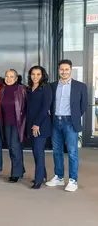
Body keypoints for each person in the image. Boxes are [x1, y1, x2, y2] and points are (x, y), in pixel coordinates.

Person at [46, 59, 88, 192]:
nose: (64, 72)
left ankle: (72, 180)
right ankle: (58, 177)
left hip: (70, 122)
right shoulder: (52, 86)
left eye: (66, 69)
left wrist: (73, 117)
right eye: (61, 69)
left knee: (72, 152)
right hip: (55, 122)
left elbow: (83, 106)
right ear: (58, 71)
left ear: (71, 70)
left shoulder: (80, 86)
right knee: (57, 151)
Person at [26, 66, 52, 189]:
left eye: (38, 74)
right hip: (31, 124)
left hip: (41, 125)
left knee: (38, 152)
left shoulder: (46, 88)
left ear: (42, 75)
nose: (35, 76)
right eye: (33, 74)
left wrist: (37, 124)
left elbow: (45, 108)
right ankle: (42, 175)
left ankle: (38, 180)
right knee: (35, 152)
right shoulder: (30, 88)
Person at [0, 69, 27, 183]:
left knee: (15, 148)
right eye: (7, 76)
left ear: (16, 78)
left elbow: (26, 107)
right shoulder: (3, 90)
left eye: (11, 76)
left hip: (18, 124)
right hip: (6, 123)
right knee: (11, 148)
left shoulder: (22, 89)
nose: (9, 78)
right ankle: (20, 169)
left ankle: (15, 174)